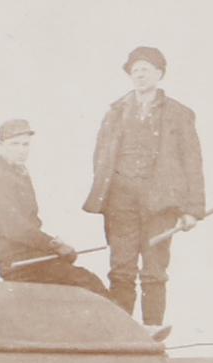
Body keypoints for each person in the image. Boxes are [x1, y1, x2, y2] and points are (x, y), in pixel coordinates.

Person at [86, 46, 205, 329]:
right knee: (121, 269)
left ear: (159, 74)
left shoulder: (179, 114)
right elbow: (100, 156)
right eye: (135, 70)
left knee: (154, 272)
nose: (139, 75)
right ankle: (122, 333)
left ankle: (152, 329)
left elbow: (192, 161)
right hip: (120, 203)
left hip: (160, 203)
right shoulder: (115, 112)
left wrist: (193, 210)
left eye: (146, 70)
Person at [0, 119, 108, 292]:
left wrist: (54, 248)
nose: (21, 150)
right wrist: (54, 245)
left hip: (32, 255)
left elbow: (30, 224)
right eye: (14, 144)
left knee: (85, 282)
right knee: (87, 283)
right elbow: (16, 229)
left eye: (25, 145)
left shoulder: (17, 172)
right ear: (1, 145)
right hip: (17, 262)